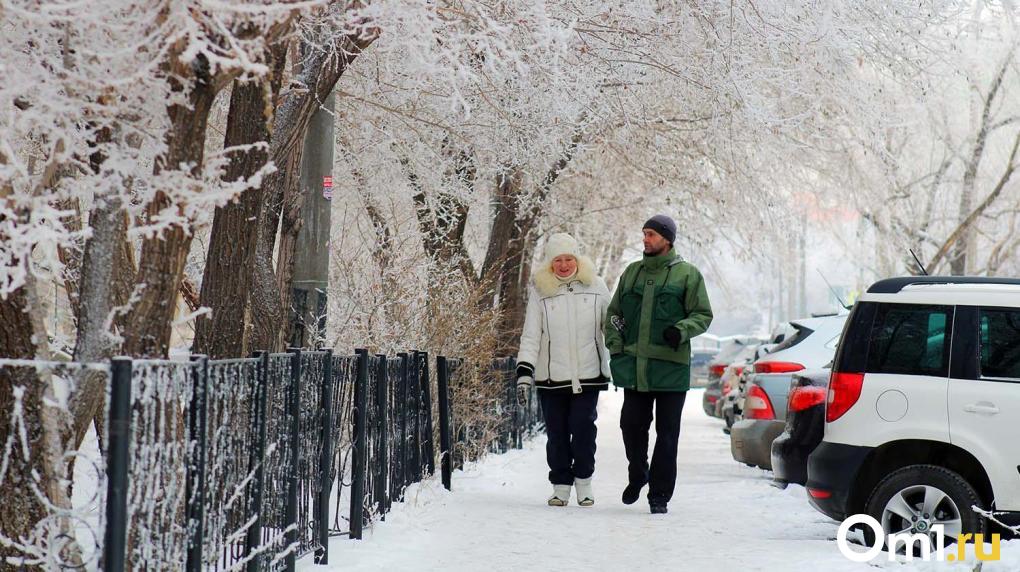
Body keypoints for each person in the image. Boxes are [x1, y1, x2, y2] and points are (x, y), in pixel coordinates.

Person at [604, 215, 713, 514]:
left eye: (651, 234)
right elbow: (614, 316)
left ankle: (659, 495)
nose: (645, 239)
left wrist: (681, 330)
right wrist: (616, 349)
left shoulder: (687, 275)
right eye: (644, 234)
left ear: (667, 239)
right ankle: (638, 473)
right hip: (635, 369)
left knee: (667, 435)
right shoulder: (631, 274)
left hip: (671, 370)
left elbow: (703, 314)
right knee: (631, 426)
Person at [516, 233, 611, 507]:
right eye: (558, 260)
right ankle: (560, 486)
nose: (564, 265)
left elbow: (612, 326)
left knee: (583, 429)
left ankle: (584, 482)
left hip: (588, 374)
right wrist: (524, 372)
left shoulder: (596, 286)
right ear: (550, 263)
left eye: (569, 259)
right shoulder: (541, 292)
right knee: (556, 433)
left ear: (578, 260)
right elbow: (531, 335)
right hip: (551, 377)